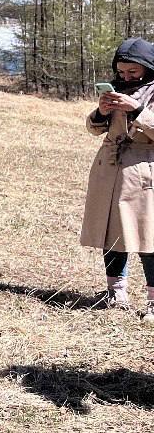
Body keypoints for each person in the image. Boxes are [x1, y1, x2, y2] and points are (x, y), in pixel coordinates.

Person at [81, 37, 154, 324]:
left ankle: (153, 301)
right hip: (109, 169)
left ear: (148, 68)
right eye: (121, 72)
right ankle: (115, 292)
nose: (126, 77)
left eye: (132, 73)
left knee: (148, 237)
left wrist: (135, 110)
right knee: (111, 232)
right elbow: (93, 128)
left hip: (144, 170)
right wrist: (102, 112)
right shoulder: (116, 92)